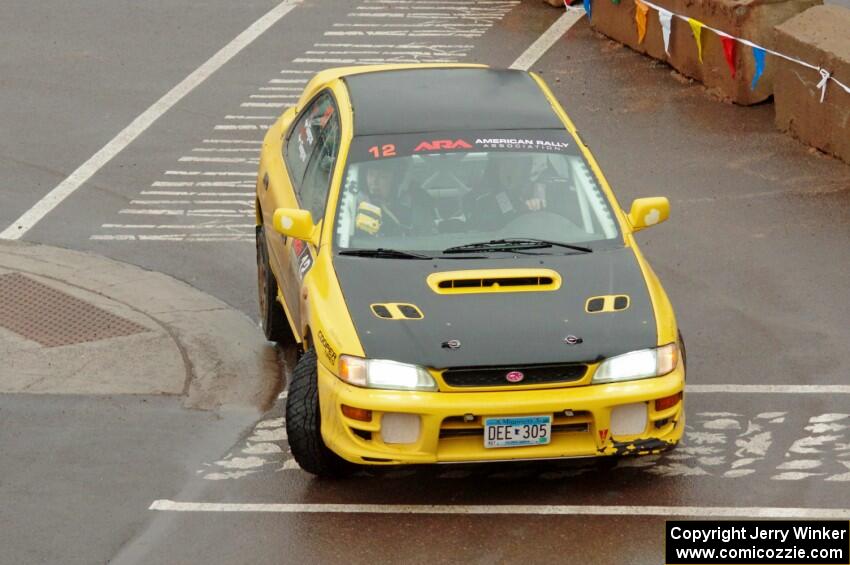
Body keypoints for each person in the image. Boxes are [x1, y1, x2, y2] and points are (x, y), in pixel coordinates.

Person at [465, 153, 547, 231]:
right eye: (504, 164)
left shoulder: (545, 195)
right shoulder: (484, 203)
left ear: (526, 169)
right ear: (496, 169)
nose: (509, 170)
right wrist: (523, 212)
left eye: (515, 164)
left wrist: (538, 207)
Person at [355, 162, 436, 237]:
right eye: (371, 174)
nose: (374, 181)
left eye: (383, 176)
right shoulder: (352, 207)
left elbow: (427, 241)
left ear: (395, 181)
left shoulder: (414, 208)